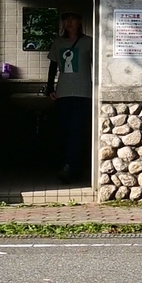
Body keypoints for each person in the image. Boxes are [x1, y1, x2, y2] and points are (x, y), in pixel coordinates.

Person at [45, 11, 93, 184]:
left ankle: (72, 167)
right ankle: (66, 165)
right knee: (64, 131)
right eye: (66, 20)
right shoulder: (58, 42)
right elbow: (53, 65)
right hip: (63, 92)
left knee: (78, 131)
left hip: (84, 93)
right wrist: (50, 87)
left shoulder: (89, 42)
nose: (69, 23)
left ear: (79, 21)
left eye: (72, 19)